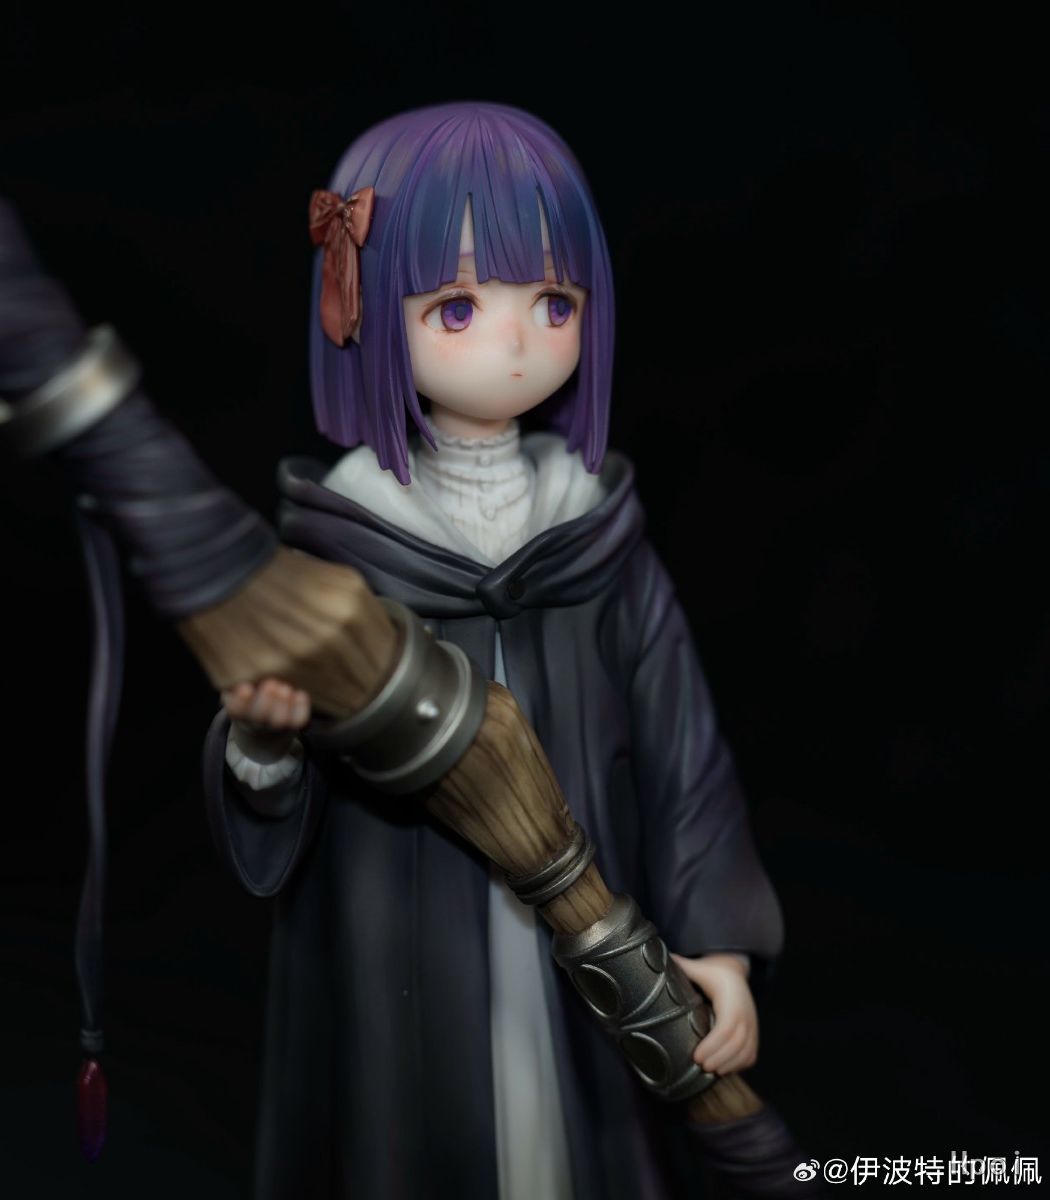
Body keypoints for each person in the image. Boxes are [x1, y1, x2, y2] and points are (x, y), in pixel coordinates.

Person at [203, 102, 784, 1200]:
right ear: (364, 309)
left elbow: (683, 747)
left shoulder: (594, 531)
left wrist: (720, 945)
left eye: (553, 302)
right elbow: (285, 783)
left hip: (594, 916)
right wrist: (265, 744)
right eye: (460, 306)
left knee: (585, 1129)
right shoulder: (344, 543)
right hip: (402, 930)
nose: (516, 342)